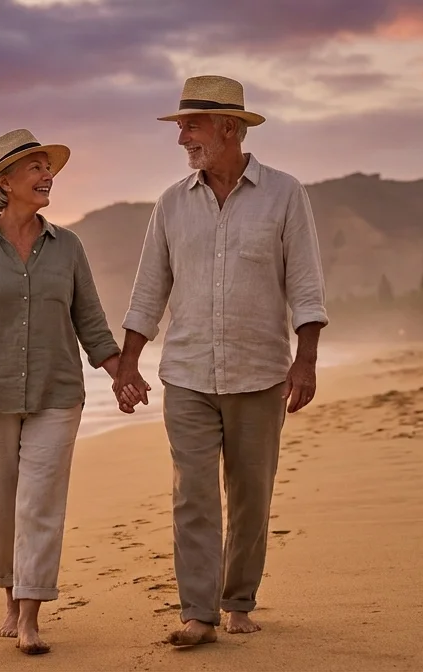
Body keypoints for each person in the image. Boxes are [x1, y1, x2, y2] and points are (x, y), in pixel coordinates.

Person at [111, 75, 329, 646]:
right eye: (181, 126)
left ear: (228, 127)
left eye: (191, 125)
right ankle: (198, 613)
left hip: (260, 373)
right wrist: (128, 363)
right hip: (186, 374)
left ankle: (237, 601)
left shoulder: (285, 194)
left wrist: (304, 360)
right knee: (193, 494)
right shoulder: (169, 204)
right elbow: (148, 290)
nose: (182, 136)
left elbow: (305, 284)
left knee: (252, 494)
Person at [0, 128, 123, 656]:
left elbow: (90, 319)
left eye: (49, 168)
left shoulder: (69, 247)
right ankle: (11, 598)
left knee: (40, 504)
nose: (48, 176)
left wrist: (120, 374)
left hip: (57, 392)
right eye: (36, 168)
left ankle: (31, 617)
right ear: (6, 181)